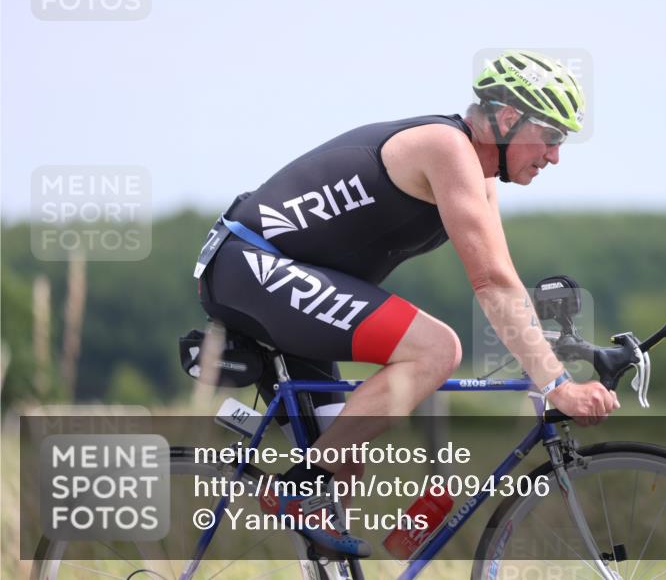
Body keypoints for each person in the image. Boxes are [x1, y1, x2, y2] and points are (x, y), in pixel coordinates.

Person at [193, 50, 620, 557]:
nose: (554, 155)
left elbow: (504, 280)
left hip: (277, 276)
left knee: (344, 460)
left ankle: (308, 501)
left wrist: (560, 350)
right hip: (249, 266)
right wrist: (558, 386)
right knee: (436, 349)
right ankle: (296, 489)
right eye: (551, 136)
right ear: (509, 118)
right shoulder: (447, 148)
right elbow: (491, 284)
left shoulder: (479, 174)